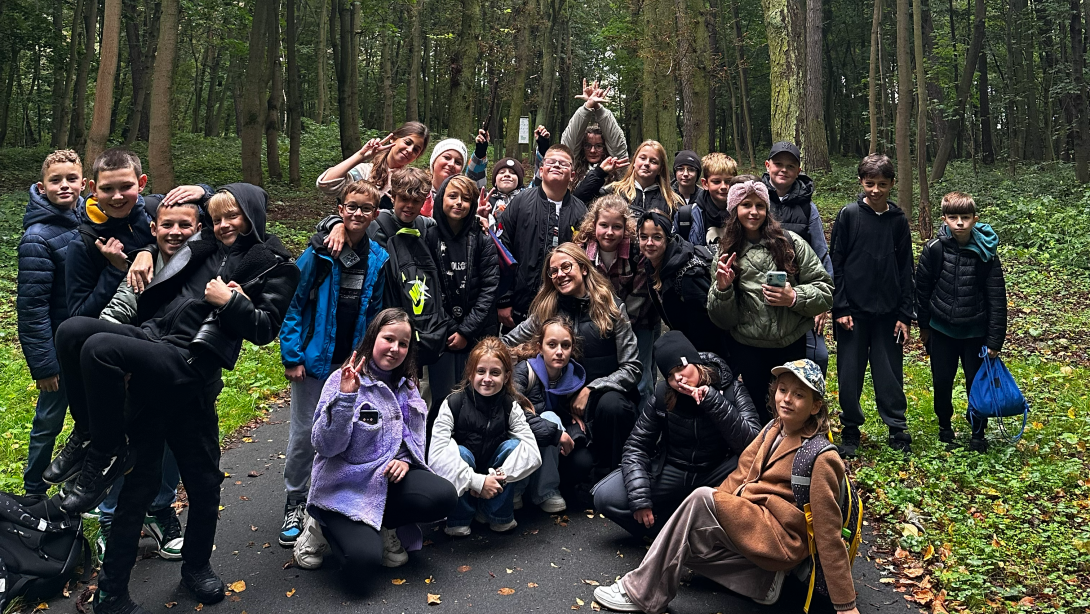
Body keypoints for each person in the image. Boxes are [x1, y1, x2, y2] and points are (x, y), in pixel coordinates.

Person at [50, 184, 299, 614]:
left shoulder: (273, 267)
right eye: (218, 217)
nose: (223, 224)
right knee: (73, 333)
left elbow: (264, 328)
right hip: (152, 356)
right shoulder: (201, 246)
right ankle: (112, 590)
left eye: (233, 216)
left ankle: (196, 568)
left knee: (202, 486)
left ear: (253, 218)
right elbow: (149, 210)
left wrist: (230, 302)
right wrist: (146, 247)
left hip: (190, 373)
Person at [592, 359, 860, 614]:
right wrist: (714, 511)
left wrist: (845, 604)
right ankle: (761, 581)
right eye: (782, 390)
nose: (787, 399)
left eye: (799, 395)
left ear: (815, 406)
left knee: (698, 502)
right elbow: (742, 472)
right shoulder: (773, 428)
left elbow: (828, 532)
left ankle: (641, 593)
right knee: (682, 541)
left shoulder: (821, 456)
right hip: (752, 521)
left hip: (781, 538)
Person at [291, 309, 458, 573]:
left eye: (403, 343)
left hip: (384, 483)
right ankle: (318, 527)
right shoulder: (343, 379)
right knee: (363, 561)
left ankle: (384, 525)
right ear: (372, 338)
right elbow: (324, 446)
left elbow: (414, 441)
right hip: (343, 487)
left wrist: (405, 462)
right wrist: (345, 399)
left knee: (443, 496)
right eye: (388, 339)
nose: (395, 348)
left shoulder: (409, 386)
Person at [94, 200, 208, 564]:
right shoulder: (145, 269)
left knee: (173, 447)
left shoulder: (211, 263)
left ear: (199, 228)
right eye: (167, 225)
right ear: (154, 229)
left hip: (189, 378)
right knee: (123, 446)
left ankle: (161, 511)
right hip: (139, 377)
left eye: (184, 225)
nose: (175, 232)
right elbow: (111, 319)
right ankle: (109, 518)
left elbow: (241, 206)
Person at [277, 179, 389, 547]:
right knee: (304, 434)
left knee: (342, 432)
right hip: (312, 363)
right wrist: (292, 355)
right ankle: (295, 498)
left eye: (366, 209)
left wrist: (365, 358)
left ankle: (324, 499)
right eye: (352, 207)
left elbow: (373, 312)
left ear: (375, 214)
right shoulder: (319, 253)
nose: (358, 214)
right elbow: (293, 304)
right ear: (340, 209)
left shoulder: (377, 258)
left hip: (350, 364)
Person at [592, 331, 760, 539]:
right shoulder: (663, 394)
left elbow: (755, 445)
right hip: (674, 468)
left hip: (717, 472)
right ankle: (668, 532)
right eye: (670, 375)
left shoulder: (731, 389)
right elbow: (636, 447)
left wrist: (712, 400)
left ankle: (705, 532)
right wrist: (641, 499)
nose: (678, 378)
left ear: (696, 363)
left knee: (753, 485)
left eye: (681, 368)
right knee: (605, 496)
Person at [504, 243, 641, 475]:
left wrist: (592, 389)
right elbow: (506, 344)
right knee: (579, 465)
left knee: (613, 407)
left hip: (606, 402)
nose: (560, 275)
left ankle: (618, 475)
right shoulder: (546, 310)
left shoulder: (612, 307)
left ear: (584, 268)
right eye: (553, 271)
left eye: (566, 266)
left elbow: (632, 367)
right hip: (565, 407)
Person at [706, 180, 833, 423]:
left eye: (759, 205)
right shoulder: (725, 252)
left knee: (791, 408)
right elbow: (723, 319)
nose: (753, 212)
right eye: (746, 205)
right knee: (759, 409)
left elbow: (825, 289)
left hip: (790, 343)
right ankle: (764, 456)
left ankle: (796, 454)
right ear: (735, 210)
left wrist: (793, 297)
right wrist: (723, 289)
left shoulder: (791, 242)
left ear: (767, 209)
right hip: (748, 348)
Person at [830, 154, 914, 456]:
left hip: (889, 314)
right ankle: (850, 430)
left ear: (892, 183)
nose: (875, 190)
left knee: (889, 374)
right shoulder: (849, 215)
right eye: (870, 184)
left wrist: (906, 314)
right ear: (861, 182)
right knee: (849, 374)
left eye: (882, 184)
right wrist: (839, 307)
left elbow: (906, 269)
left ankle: (897, 429)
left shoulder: (898, 221)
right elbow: (835, 264)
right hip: (852, 313)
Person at [64, 148, 210, 319]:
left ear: (141, 183)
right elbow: (79, 314)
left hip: (174, 319)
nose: (117, 197)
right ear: (93, 188)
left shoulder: (157, 207)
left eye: (126, 187)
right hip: (120, 334)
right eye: (107, 188)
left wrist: (204, 192)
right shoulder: (84, 243)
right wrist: (116, 270)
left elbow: (216, 221)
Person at [916, 192, 1007, 452]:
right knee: (942, 381)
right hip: (941, 329)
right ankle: (945, 428)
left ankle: (978, 433)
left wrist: (994, 340)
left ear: (975, 219)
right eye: (953, 217)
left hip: (975, 332)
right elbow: (922, 290)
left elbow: (996, 298)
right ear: (944, 219)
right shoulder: (934, 249)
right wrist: (924, 326)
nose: (959, 223)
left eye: (965, 217)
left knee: (976, 385)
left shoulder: (986, 254)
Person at [18, 150, 86, 499]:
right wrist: (43, 365)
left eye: (71, 179)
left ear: (83, 183)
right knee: (49, 420)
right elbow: (32, 308)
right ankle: (33, 490)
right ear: (42, 188)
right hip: (57, 351)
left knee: (89, 420)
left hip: (88, 345)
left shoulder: (91, 220)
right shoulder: (37, 238)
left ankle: (83, 484)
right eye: (55, 180)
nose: (64, 185)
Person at [428, 338, 542, 536]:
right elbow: (436, 457)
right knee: (459, 452)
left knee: (514, 446)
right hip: (466, 478)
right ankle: (459, 517)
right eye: (481, 371)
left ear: (506, 377)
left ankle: (497, 514)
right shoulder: (452, 403)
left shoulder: (510, 406)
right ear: (471, 373)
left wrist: (499, 478)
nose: (487, 378)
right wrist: (478, 482)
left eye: (495, 373)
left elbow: (533, 453)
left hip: (494, 473)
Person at [427, 175, 500, 414]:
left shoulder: (481, 237)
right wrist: (451, 328)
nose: (459, 203)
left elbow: (490, 287)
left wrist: (466, 330)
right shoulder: (429, 236)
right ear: (441, 200)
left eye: (466, 199)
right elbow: (428, 285)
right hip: (442, 334)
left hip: (477, 332)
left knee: (475, 395)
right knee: (444, 399)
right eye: (452, 196)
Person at [574, 195, 657, 402]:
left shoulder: (637, 251)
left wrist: (619, 324)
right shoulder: (582, 250)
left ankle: (644, 424)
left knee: (642, 377)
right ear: (594, 225)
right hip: (595, 320)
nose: (609, 233)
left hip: (638, 319)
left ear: (625, 227)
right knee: (606, 371)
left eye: (616, 227)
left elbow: (640, 293)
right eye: (604, 225)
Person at [496, 144, 588, 328]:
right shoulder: (520, 202)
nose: (556, 166)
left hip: (563, 308)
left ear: (573, 174)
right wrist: (503, 300)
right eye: (551, 162)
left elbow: (584, 258)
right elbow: (502, 249)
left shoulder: (581, 211)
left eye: (563, 164)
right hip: (519, 305)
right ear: (541, 169)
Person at [762, 142, 834, 376]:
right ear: (768, 165)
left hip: (798, 295)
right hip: (760, 294)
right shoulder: (756, 200)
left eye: (790, 166)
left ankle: (809, 406)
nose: (783, 170)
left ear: (798, 170)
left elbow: (821, 252)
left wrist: (821, 304)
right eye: (778, 164)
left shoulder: (807, 208)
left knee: (818, 356)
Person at [510, 316, 588, 513]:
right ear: (540, 347)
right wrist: (556, 432)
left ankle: (546, 491)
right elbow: (513, 413)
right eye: (552, 345)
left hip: (551, 436)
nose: (559, 352)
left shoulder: (572, 375)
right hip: (520, 433)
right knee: (550, 420)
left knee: (554, 421)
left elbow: (561, 409)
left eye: (566, 345)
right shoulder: (524, 371)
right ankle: (517, 488)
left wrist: (572, 417)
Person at [637, 211, 727, 355]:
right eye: (643, 237)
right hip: (689, 345)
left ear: (668, 238)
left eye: (657, 237)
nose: (649, 243)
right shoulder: (651, 264)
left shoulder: (687, 274)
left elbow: (709, 323)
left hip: (709, 351)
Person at [315, 121, 430, 202]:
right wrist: (361, 156)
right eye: (407, 142)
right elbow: (327, 184)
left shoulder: (412, 181)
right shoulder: (364, 172)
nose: (409, 150)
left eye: (416, 149)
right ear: (393, 138)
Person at [575, 140, 682, 217]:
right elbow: (578, 201)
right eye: (642, 158)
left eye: (653, 161)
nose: (646, 164)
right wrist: (599, 172)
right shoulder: (614, 191)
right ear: (634, 162)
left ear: (660, 169)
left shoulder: (671, 201)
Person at [562, 79, 629, 188]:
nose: (593, 151)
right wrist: (587, 107)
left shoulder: (617, 169)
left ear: (606, 147)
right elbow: (569, 143)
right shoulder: (572, 168)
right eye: (588, 146)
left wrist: (598, 107)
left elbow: (617, 144)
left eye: (598, 146)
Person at [675, 153, 738, 249]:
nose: (723, 187)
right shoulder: (688, 215)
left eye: (728, 181)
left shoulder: (743, 212)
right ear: (705, 184)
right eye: (716, 182)